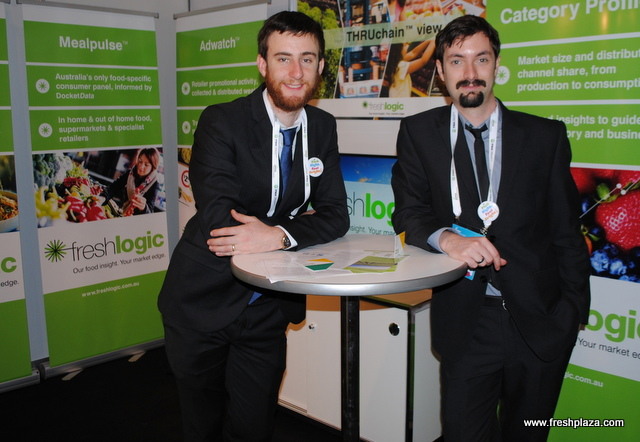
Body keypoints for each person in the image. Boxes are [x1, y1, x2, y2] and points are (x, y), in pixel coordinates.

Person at [390, 15, 590, 441]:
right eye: (457, 61)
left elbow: (566, 231)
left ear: (496, 64)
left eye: (481, 59)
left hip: (539, 321)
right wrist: (447, 239)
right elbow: (408, 212)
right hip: (466, 320)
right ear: (440, 70)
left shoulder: (545, 136)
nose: (470, 72)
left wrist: (572, 313)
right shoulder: (419, 133)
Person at [158, 11, 349, 442]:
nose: (295, 72)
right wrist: (297, 224)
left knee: (254, 427)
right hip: (203, 302)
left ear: (320, 66)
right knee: (202, 427)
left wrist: (278, 234)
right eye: (283, 58)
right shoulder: (222, 121)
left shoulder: (322, 127)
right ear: (262, 64)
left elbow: (337, 213)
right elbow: (219, 220)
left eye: (306, 59)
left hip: (268, 306)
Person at [102, 147, 160, 216]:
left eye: (146, 165)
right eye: (140, 161)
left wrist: (144, 208)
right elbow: (114, 187)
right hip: (123, 212)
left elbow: (149, 213)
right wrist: (102, 197)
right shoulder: (130, 173)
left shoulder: (154, 183)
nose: (141, 166)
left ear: (153, 167)